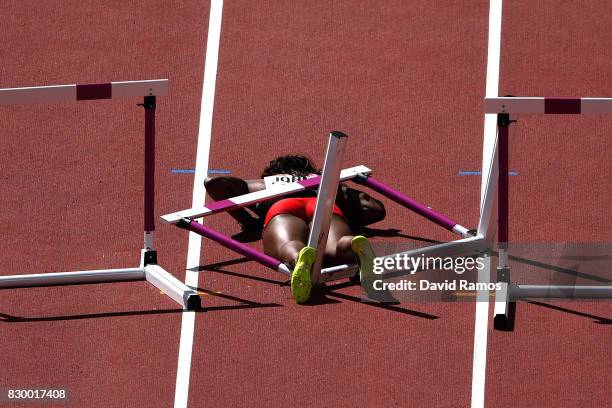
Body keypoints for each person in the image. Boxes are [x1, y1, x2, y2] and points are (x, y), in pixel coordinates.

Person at [204, 154, 386, 303]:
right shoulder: (326, 181)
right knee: (336, 246)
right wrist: (342, 191)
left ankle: (298, 256)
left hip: (283, 208)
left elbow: (213, 182)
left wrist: (247, 220)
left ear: (274, 172)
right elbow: (376, 210)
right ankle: (350, 244)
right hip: (322, 205)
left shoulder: (265, 184)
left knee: (289, 244)